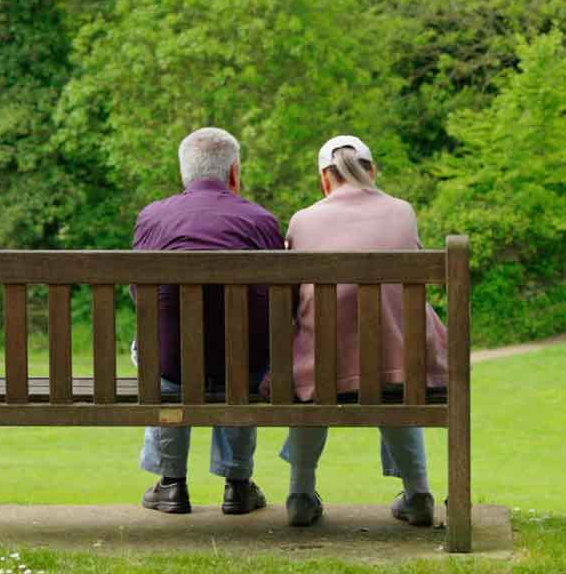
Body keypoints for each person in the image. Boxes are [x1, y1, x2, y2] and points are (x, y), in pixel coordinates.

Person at [280, 134, 448, 529]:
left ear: (325, 178)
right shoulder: (403, 211)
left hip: (324, 369)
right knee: (392, 366)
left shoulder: (303, 220)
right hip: (401, 365)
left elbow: (289, 299)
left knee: (315, 358)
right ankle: (418, 492)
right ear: (372, 172)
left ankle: (300, 494)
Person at [132, 126, 283, 515]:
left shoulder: (152, 217)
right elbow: (278, 299)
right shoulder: (260, 220)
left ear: (184, 174)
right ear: (234, 172)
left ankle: (171, 483)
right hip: (244, 368)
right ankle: (237, 484)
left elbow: (140, 297)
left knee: (154, 348)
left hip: (172, 366)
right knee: (245, 351)